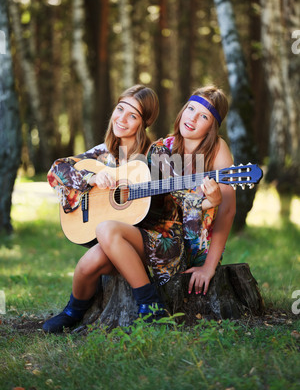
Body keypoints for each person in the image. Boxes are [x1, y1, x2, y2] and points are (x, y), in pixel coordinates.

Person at [43, 84, 221, 333]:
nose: (122, 119)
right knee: (86, 265)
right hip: (122, 242)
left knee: (106, 229)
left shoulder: (156, 154)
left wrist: (208, 203)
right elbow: (56, 170)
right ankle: (72, 312)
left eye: (133, 115)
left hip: (160, 239)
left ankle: (151, 306)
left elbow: (184, 199)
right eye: (120, 109)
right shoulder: (104, 155)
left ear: (143, 122)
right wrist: (89, 179)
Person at [163, 85, 236, 296]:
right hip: (161, 240)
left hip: (197, 248)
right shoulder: (164, 147)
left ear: (212, 125)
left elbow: (228, 210)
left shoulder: (217, 149)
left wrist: (209, 266)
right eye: (191, 109)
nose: (192, 118)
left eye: (203, 116)